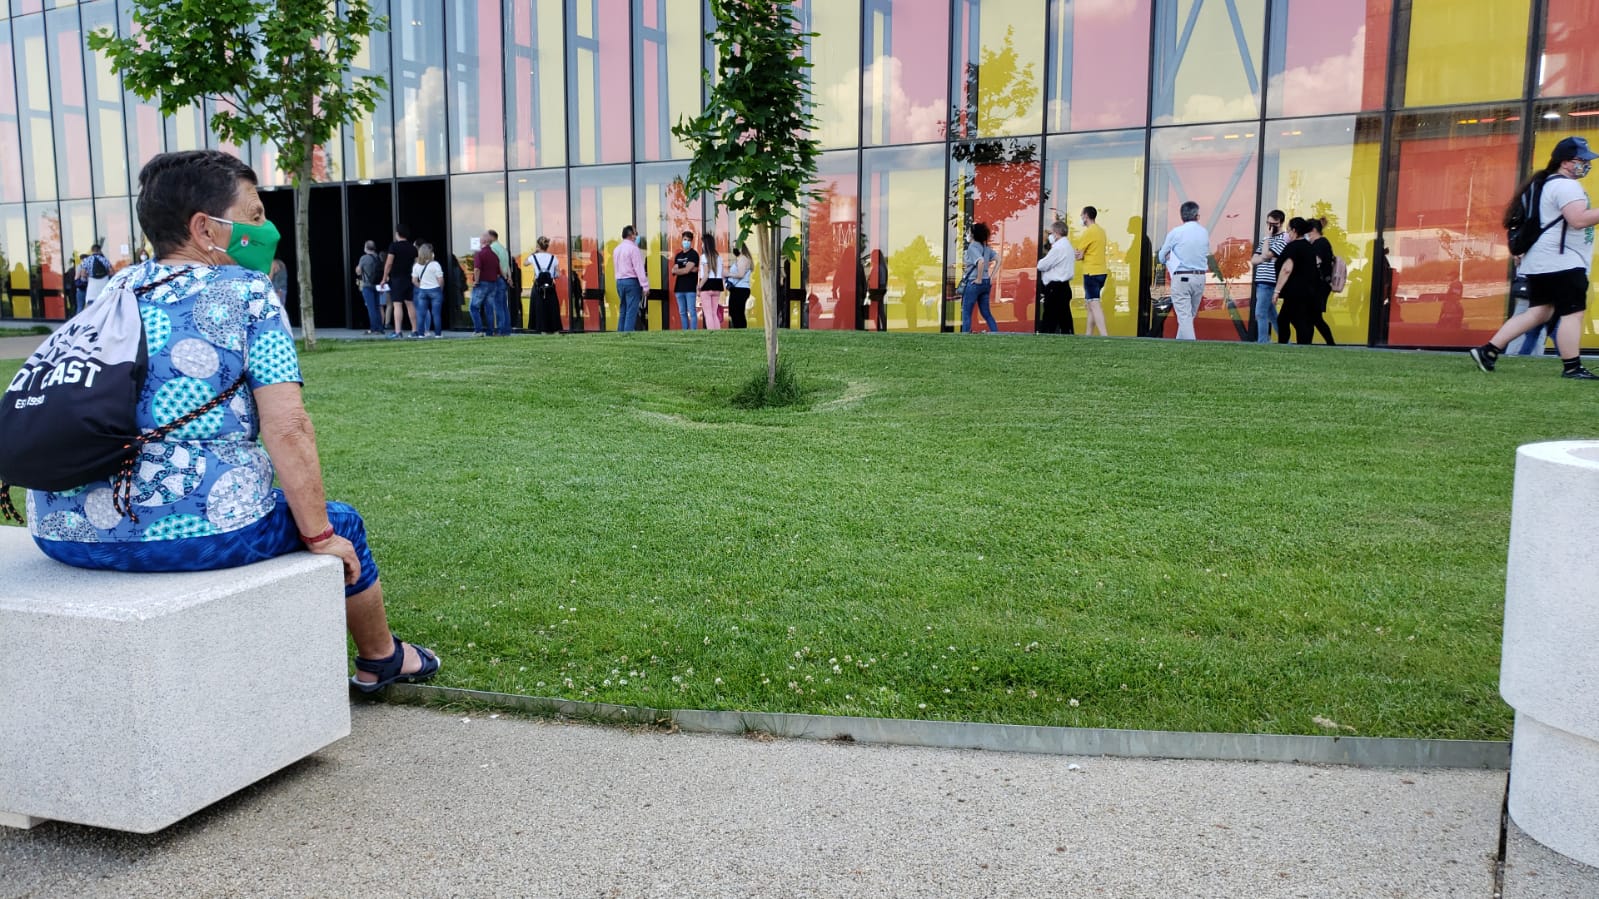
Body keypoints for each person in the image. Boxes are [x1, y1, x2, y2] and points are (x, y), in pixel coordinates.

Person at [23, 149, 439, 693]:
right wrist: (318, 534)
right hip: (189, 533)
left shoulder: (115, 291)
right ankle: (381, 659)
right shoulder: (248, 292)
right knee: (344, 524)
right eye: (255, 214)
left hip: (62, 531)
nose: (266, 229)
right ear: (206, 229)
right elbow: (286, 425)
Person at [1472, 136, 1599, 380]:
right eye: (1581, 160)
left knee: (1538, 312)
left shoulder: (1546, 184)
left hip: (1542, 260)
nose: (1585, 164)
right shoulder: (1566, 186)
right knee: (1573, 313)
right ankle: (1572, 367)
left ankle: (1488, 351)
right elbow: (1578, 219)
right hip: (1562, 261)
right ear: (1565, 162)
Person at [1157, 201, 1209, 341]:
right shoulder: (1204, 232)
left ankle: (1191, 349)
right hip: (1199, 278)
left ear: (1182, 216)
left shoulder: (1176, 232)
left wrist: (1168, 256)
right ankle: (1180, 346)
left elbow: (1161, 256)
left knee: (1184, 317)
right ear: (1197, 216)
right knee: (1188, 316)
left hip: (1181, 277)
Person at [1271, 217, 1322, 345]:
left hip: (1295, 292)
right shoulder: (1309, 247)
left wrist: (1277, 291)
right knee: (1291, 319)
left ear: (1294, 230)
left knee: (1291, 320)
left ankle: (1295, 345)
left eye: (1288, 231)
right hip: (1308, 291)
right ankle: (1300, 344)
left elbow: (1286, 269)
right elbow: (1317, 263)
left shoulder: (1293, 247)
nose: (1287, 234)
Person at [1249, 210, 1287, 343]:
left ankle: (1263, 342)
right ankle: (1284, 341)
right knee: (1272, 314)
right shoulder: (1266, 239)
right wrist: (1264, 255)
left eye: (1274, 224)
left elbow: (1265, 255)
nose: (1271, 227)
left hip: (1270, 280)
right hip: (1261, 280)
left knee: (1260, 313)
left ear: (1281, 223)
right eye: (1268, 223)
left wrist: (1267, 239)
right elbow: (1254, 259)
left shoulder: (1284, 238)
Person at [1036, 220, 1075, 334]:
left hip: (1054, 287)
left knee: (1050, 315)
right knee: (1064, 315)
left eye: (1051, 233)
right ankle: (1067, 334)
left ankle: (1047, 335)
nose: (1050, 236)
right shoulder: (1068, 246)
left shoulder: (1058, 248)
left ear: (1056, 233)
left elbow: (1042, 265)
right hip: (1064, 286)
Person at [1302, 218, 1337, 345]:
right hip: (1320, 285)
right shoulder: (1323, 243)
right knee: (1313, 317)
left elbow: (1317, 261)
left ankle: (1329, 343)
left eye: (1308, 232)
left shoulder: (1320, 243)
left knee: (1314, 317)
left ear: (1314, 230)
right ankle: (1308, 343)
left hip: (1319, 286)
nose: (1307, 235)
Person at [960, 222, 999, 333]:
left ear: (973, 234)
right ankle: (996, 333)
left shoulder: (972, 247)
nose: (967, 234)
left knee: (966, 311)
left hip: (974, 282)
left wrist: (978, 278)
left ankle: (965, 336)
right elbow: (999, 259)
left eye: (969, 232)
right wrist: (990, 277)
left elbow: (980, 261)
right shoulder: (986, 247)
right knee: (986, 313)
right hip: (986, 283)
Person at [380, 224, 418, 340]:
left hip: (397, 279)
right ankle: (414, 330)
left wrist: (384, 277)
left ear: (398, 234)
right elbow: (416, 264)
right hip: (409, 278)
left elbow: (389, 263)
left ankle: (398, 331)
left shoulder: (394, 246)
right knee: (410, 304)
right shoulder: (413, 248)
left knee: (397, 304)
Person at [1076, 206, 1109, 336]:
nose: (1081, 218)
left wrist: (1080, 254)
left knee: (1094, 304)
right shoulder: (1101, 231)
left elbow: (1078, 254)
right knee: (1090, 305)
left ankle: (1104, 335)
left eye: (1081, 215)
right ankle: (1088, 334)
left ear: (1086, 216)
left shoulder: (1089, 232)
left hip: (1091, 272)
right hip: (1101, 271)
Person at [614, 224, 648, 331]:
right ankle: (627, 333)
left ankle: (620, 332)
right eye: (636, 234)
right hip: (631, 282)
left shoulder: (617, 249)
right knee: (631, 310)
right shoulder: (633, 249)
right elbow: (639, 268)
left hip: (620, 281)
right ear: (631, 235)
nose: (637, 236)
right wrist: (645, 286)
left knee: (623, 309)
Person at [526, 236, 562, 334]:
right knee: (552, 308)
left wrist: (534, 252)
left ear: (538, 246)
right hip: (550, 286)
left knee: (539, 308)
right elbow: (558, 274)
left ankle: (541, 329)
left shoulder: (533, 257)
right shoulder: (553, 258)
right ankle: (554, 329)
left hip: (538, 286)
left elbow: (525, 263)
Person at [471, 231, 503, 337]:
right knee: (489, 308)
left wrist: (476, 281)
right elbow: (499, 272)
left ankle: (478, 330)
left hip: (482, 283)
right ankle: (490, 331)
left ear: (484, 241)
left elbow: (477, 269)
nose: (479, 240)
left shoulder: (479, 254)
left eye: (480, 238)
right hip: (493, 284)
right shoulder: (494, 255)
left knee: (474, 307)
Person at [411, 242, 445, 338]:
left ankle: (421, 334)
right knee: (436, 314)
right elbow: (440, 279)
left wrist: (420, 285)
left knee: (421, 314)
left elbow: (414, 280)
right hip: (435, 289)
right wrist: (440, 289)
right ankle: (438, 334)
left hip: (422, 290)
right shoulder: (435, 264)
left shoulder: (416, 265)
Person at [671, 230, 699, 329]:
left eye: (688, 240)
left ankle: (693, 332)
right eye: (684, 239)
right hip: (679, 288)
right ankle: (685, 331)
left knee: (692, 311)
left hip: (690, 288)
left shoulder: (693, 254)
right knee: (682, 312)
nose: (686, 242)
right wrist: (688, 269)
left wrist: (681, 270)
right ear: (681, 240)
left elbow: (686, 270)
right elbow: (673, 270)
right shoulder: (678, 255)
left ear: (691, 242)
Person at [355, 240, 384, 334]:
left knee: (371, 308)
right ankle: (380, 328)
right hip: (377, 285)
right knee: (377, 307)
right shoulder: (378, 257)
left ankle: (373, 328)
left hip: (367, 285)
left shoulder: (364, 258)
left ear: (366, 248)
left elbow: (358, 271)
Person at [697, 233, 725, 330]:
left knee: (708, 313)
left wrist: (699, 287)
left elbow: (706, 274)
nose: (702, 245)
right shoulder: (719, 257)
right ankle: (717, 333)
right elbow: (722, 274)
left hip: (707, 285)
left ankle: (711, 333)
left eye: (703, 243)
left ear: (706, 244)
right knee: (714, 313)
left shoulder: (704, 257)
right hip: (717, 285)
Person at [488, 229, 513, 334]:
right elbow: (507, 265)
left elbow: (495, 265)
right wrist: (509, 277)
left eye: (487, 237)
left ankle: (500, 330)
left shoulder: (493, 248)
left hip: (497, 279)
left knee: (497, 306)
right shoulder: (503, 249)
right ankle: (507, 329)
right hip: (504, 279)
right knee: (503, 306)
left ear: (492, 237)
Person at [726, 243, 754, 329]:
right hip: (740, 289)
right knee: (737, 312)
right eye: (733, 246)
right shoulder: (743, 259)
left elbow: (740, 274)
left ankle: (740, 329)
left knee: (736, 312)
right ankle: (740, 329)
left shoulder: (743, 259)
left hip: (740, 289)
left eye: (736, 246)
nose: (734, 248)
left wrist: (728, 274)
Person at [79, 243, 113, 307]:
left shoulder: (87, 260)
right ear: (99, 250)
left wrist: (85, 279)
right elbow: (111, 272)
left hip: (92, 285)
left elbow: (83, 274)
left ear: (92, 250)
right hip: (104, 284)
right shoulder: (105, 259)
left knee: (91, 306)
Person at [866, 249, 889, 331]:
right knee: (880, 310)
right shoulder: (883, 267)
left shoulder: (877, 268)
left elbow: (874, 281)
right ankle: (882, 327)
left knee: (874, 311)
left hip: (876, 291)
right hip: (880, 290)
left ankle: (874, 327)